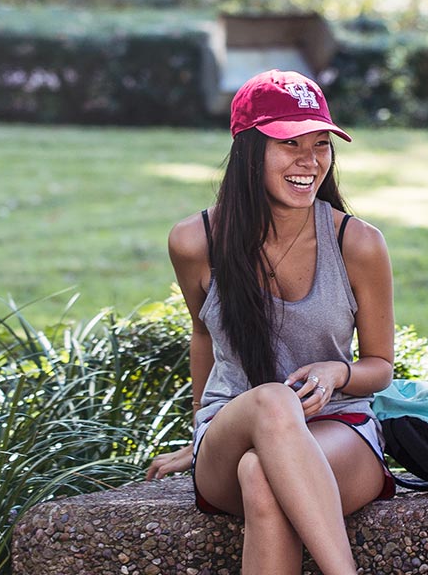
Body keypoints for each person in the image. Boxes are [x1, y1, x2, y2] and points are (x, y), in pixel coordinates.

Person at [144, 69, 395, 575]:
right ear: (249, 150)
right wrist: (200, 433)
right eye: (290, 143)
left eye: (321, 143)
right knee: (273, 402)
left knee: (262, 475)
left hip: (338, 428)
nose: (310, 160)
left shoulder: (358, 243)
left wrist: (336, 372)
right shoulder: (196, 242)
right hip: (231, 429)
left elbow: (381, 366)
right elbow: (202, 334)